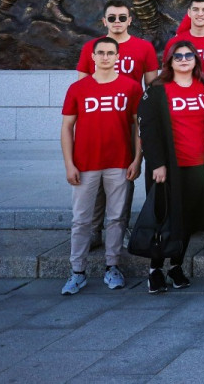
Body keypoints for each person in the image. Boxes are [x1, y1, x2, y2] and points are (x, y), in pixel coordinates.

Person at [60, 36, 144, 294]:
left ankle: (112, 267)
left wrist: (137, 159)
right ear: (92, 57)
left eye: (110, 53)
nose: (106, 57)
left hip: (118, 162)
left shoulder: (131, 87)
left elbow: (138, 127)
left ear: (118, 57)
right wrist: (69, 165)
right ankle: (77, 272)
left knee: (117, 218)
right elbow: (66, 128)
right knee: (81, 220)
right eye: (101, 53)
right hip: (85, 164)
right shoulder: (78, 88)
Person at [138, 40, 204, 293]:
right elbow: (148, 131)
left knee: (186, 220)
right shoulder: (157, 90)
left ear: (196, 59)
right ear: (169, 62)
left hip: (198, 166)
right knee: (164, 220)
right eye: (178, 56)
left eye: (188, 56)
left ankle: (175, 266)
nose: (184, 60)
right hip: (168, 168)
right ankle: (155, 269)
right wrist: (157, 164)